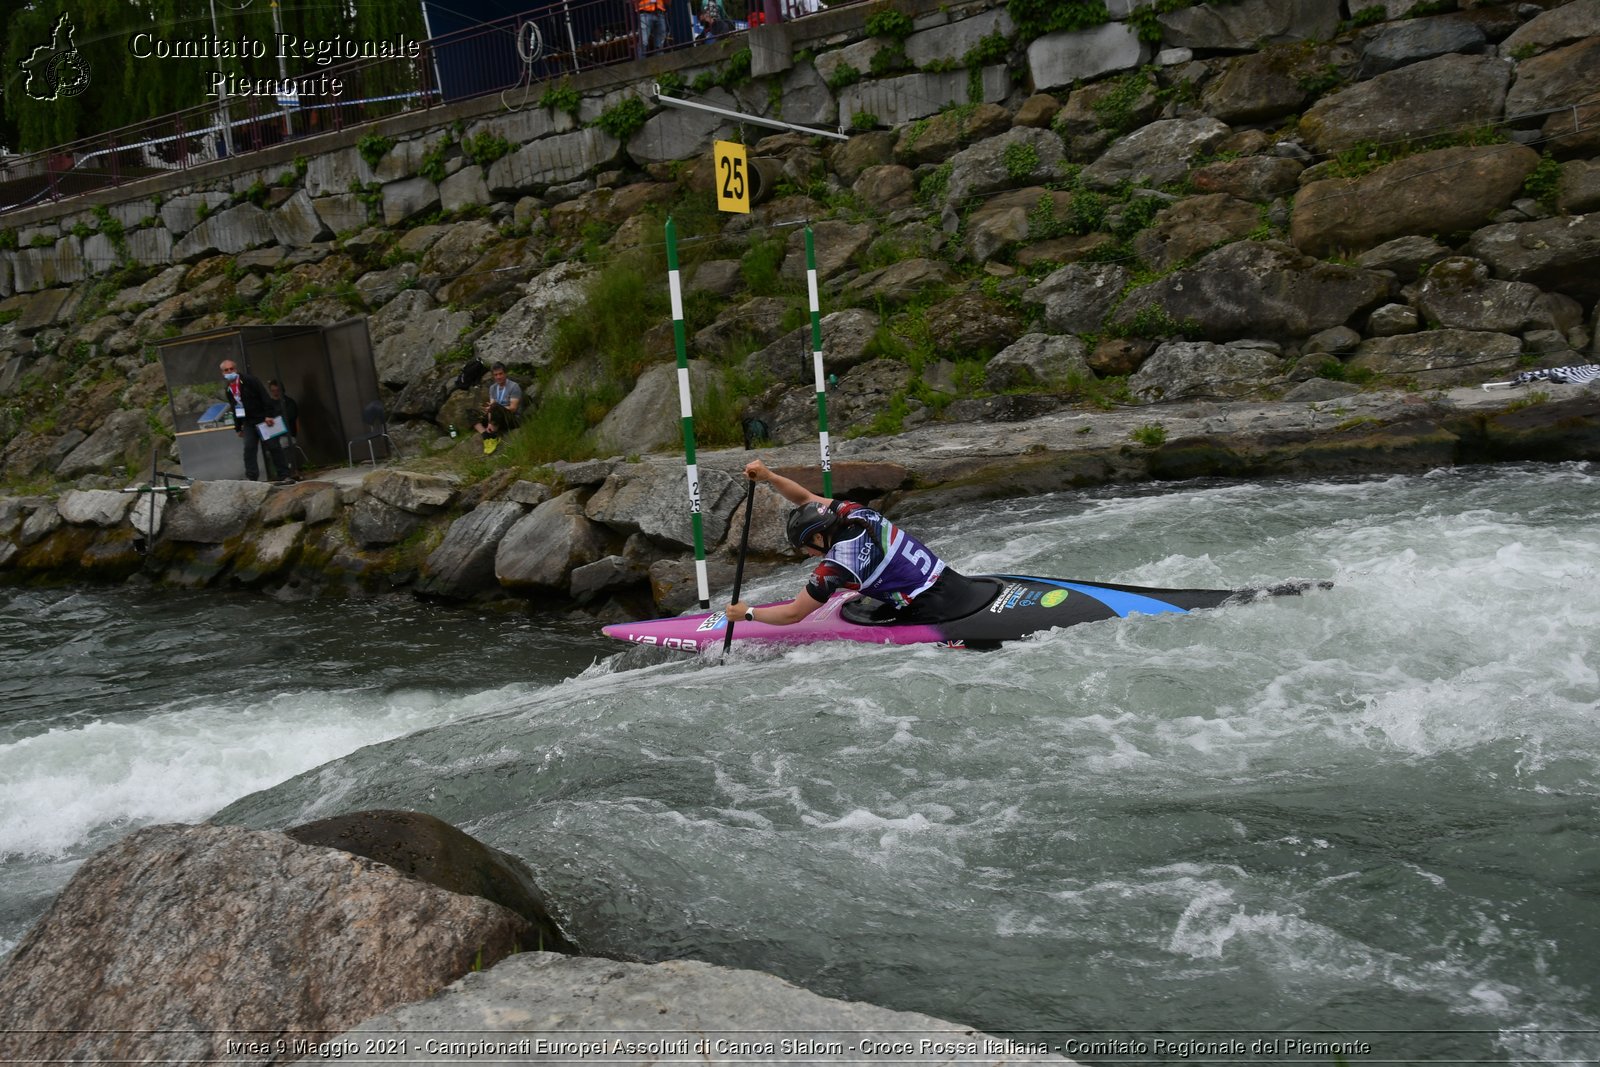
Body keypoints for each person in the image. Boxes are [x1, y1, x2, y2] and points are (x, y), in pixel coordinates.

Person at [726, 459, 989, 627]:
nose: (807, 553)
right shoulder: (858, 513)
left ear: (819, 537)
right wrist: (769, 476)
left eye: (805, 545)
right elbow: (805, 497)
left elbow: (794, 614)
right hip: (953, 581)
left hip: (933, 608)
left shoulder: (835, 567)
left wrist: (748, 613)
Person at [219, 359, 292, 483]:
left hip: (262, 419)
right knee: (249, 448)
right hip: (248, 422)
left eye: (231, 369)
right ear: (223, 373)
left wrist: (268, 415)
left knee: (273, 446)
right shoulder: (228, 389)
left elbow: (264, 396)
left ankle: (284, 474)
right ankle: (252, 477)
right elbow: (235, 407)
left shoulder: (250, 380)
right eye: (226, 370)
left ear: (236, 369)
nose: (230, 371)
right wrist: (238, 427)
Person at [471, 362, 522, 455]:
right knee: (471, 412)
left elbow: (513, 408)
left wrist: (495, 408)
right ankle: (486, 436)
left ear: (505, 373)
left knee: (494, 406)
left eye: (500, 374)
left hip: (510, 417)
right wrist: (489, 416)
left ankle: (493, 435)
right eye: (496, 375)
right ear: (493, 376)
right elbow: (492, 406)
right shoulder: (493, 388)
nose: (498, 377)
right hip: (495, 416)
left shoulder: (514, 386)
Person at [266, 379, 301, 481]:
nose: (275, 393)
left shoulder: (289, 403)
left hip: (286, 434)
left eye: (277, 390)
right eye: (273, 391)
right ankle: (276, 473)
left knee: (282, 445)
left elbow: (290, 418)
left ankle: (288, 471)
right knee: (268, 447)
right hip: (272, 434)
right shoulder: (269, 404)